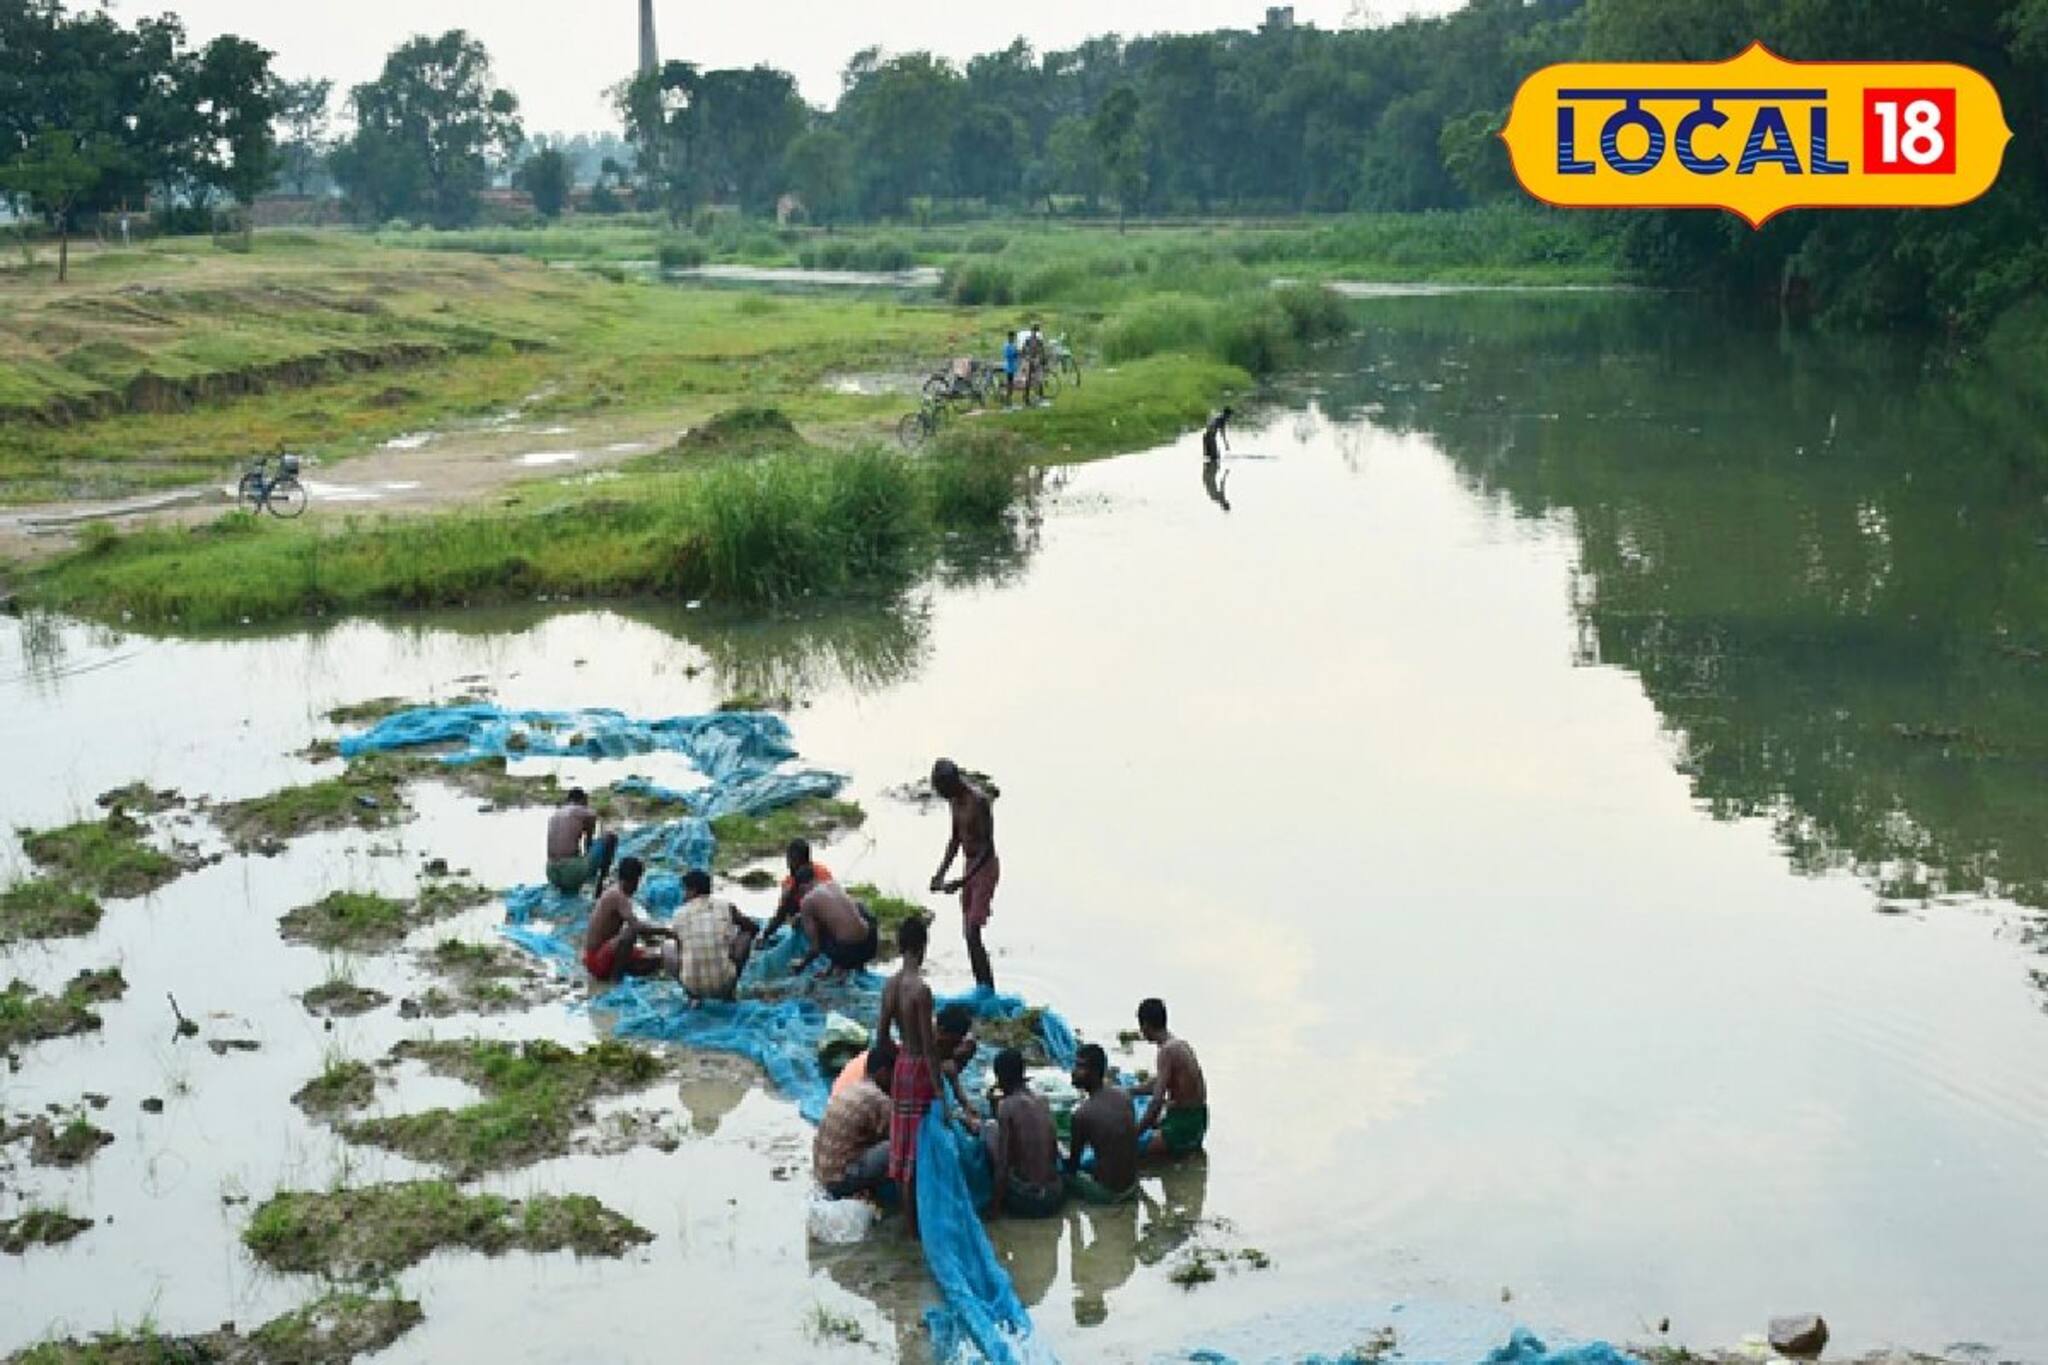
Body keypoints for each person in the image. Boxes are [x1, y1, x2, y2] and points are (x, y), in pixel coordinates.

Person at [877, 917, 977, 1240]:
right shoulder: (920, 991)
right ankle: (925, 1221)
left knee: (902, 1150)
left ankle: (909, 1227)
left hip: (902, 1067)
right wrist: (941, 1096)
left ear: (901, 945)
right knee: (925, 1149)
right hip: (920, 1069)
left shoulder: (890, 986)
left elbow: (880, 1039)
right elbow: (930, 1049)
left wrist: (901, 1059)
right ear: (922, 947)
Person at [929, 758, 999, 990]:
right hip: (969, 866)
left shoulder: (978, 801)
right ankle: (981, 985)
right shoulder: (954, 802)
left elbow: (988, 847)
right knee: (968, 933)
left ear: (953, 782)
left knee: (972, 931)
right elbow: (955, 839)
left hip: (984, 867)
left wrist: (962, 881)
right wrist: (940, 874)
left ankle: (988, 988)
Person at [985, 1047, 1065, 1218]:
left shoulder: (1007, 1106)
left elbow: (1003, 1164)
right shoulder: (1042, 1101)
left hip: (1031, 1200)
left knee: (990, 1129)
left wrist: (994, 1208)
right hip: (1055, 1195)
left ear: (1000, 1078)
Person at [816, 1037, 897, 1199]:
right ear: (883, 1073)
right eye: (894, 1075)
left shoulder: (853, 1086)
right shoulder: (879, 1099)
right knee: (897, 1146)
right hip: (838, 1180)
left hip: (822, 1172)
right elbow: (896, 1136)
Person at [581, 856, 678, 984]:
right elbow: (636, 927)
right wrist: (666, 931)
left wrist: (655, 942)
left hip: (601, 954)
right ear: (633, 881)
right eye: (638, 881)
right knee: (630, 932)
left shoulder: (615, 891)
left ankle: (619, 972)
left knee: (653, 961)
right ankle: (615, 980)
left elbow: (642, 932)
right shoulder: (618, 896)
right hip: (596, 959)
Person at [1133, 997, 1208, 1156]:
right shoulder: (1179, 1044)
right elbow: (1159, 1081)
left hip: (1182, 1126)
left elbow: (1157, 1101)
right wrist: (1131, 1091)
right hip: (1198, 1120)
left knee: (1128, 1153)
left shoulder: (1166, 1052)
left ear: (1145, 1025)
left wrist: (1134, 1135)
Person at [1065, 1043, 1140, 1202]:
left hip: (1108, 1194)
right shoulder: (1123, 1095)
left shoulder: (1082, 1114)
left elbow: (1073, 1165)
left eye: (1080, 1067)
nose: (1074, 1072)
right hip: (1132, 1186)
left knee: (1063, 1176)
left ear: (1094, 1072)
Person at [673, 868, 760, 1001]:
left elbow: (680, 948)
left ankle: (692, 996)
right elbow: (752, 928)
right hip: (724, 982)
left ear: (694, 890)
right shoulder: (726, 906)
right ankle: (729, 992)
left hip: (692, 985)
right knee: (745, 935)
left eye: (686, 890)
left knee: (668, 946)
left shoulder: (678, 914)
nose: (684, 895)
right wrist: (730, 942)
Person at [790, 868, 879, 978]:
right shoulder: (833, 885)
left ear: (802, 887)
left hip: (850, 952)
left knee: (814, 927)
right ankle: (840, 968)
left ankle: (843, 965)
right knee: (857, 909)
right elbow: (840, 921)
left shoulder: (807, 901)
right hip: (870, 946)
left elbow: (815, 949)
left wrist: (801, 965)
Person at [546, 788, 617, 896]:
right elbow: (588, 844)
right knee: (610, 837)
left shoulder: (555, 814)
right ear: (583, 801)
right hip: (570, 873)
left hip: (551, 872)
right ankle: (600, 888)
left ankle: (570, 883)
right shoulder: (585, 812)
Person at [763, 838, 833, 944]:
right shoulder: (822, 873)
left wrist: (765, 935)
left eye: (790, 860)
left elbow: (781, 915)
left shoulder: (819, 876)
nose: (788, 864)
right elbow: (783, 912)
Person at [1002, 331, 1020, 399]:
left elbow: (1016, 354)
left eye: (1013, 337)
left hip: (1013, 366)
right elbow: (1007, 355)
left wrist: (1017, 354)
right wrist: (1015, 354)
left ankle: (1009, 394)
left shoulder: (1014, 345)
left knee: (1011, 381)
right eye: (1011, 337)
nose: (1012, 339)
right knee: (1009, 381)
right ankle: (1008, 395)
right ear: (1009, 337)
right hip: (1009, 367)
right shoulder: (1007, 346)